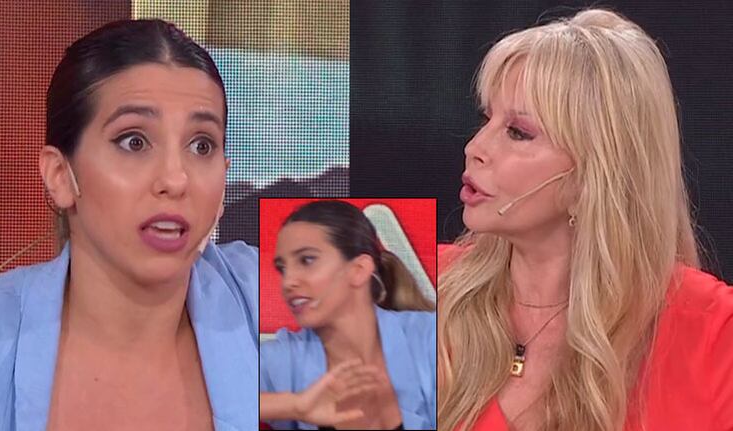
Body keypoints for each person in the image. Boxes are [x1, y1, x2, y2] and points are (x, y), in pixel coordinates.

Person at [437, 8, 733, 431]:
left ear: (595, 174)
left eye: (518, 132)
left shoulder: (713, 335)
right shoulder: (415, 286)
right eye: (487, 119)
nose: (475, 148)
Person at [0, 20, 258, 431]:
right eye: (134, 141)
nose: (176, 180)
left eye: (201, 145)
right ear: (61, 176)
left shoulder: (271, 299)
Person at [260, 200, 436, 430]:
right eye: (282, 268)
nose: (288, 282)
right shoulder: (282, 359)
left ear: (359, 269)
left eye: (307, 260)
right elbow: (219, 397)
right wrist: (295, 406)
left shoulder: (432, 337)